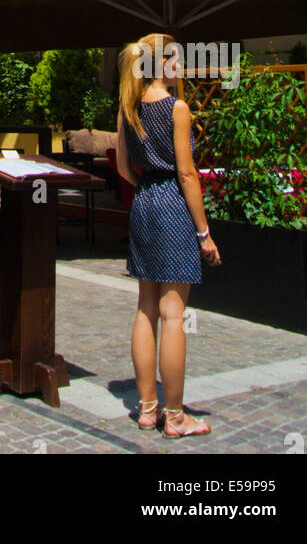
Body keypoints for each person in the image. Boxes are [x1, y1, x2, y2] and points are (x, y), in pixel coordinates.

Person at [114, 32, 221, 439]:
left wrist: (147, 189)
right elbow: (188, 173)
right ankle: (175, 416)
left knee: (146, 309)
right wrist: (204, 232)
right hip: (174, 206)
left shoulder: (127, 107)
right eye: (179, 59)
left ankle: (146, 409)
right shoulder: (177, 108)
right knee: (174, 314)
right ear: (165, 64)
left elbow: (123, 167)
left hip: (144, 204)